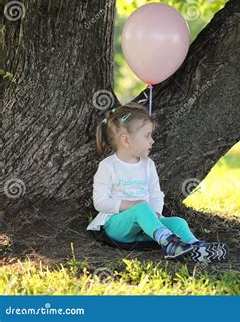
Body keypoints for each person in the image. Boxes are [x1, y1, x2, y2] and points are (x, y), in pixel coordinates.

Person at [87, 102, 228, 262]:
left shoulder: (148, 165)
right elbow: (100, 202)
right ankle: (170, 243)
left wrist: (156, 214)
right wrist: (132, 205)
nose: (152, 141)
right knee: (141, 208)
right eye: (147, 136)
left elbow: (155, 194)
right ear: (126, 140)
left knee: (178, 222)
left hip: (145, 228)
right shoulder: (108, 166)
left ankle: (195, 248)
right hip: (117, 226)